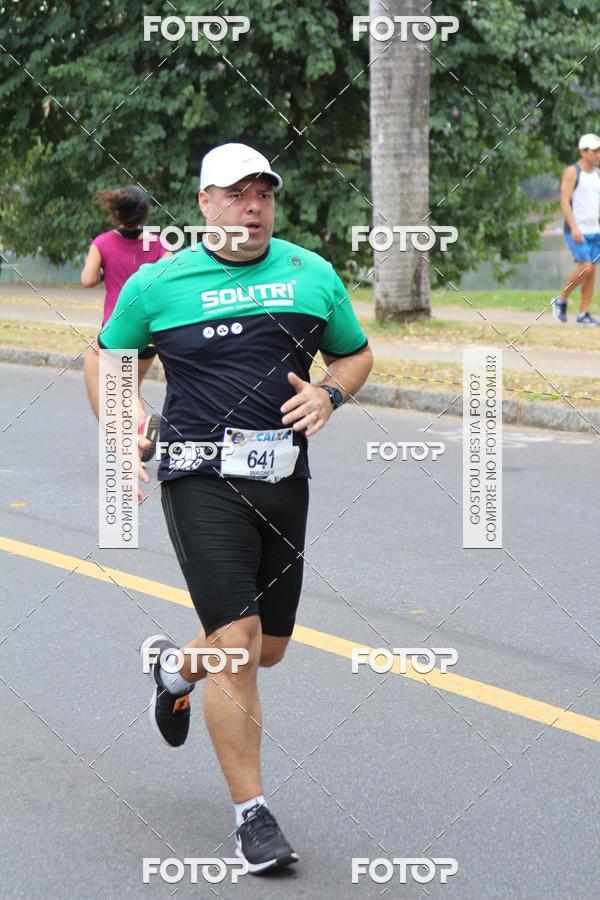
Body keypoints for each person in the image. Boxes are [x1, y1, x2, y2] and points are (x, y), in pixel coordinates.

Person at [83, 143, 373, 874]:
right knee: (239, 643)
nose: (252, 207)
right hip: (197, 475)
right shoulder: (162, 284)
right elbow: (107, 360)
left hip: (282, 479)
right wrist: (124, 430)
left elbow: (356, 353)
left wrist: (329, 393)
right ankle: (253, 819)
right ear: (205, 204)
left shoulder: (313, 274)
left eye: (263, 194)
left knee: (267, 650)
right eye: (236, 195)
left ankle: (176, 673)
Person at [81, 185, 170, 456]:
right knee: (130, 386)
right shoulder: (159, 243)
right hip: (152, 330)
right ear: (144, 214)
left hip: (117, 329)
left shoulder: (103, 243)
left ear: (115, 211)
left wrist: (102, 275)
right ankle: (140, 431)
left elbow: (86, 280)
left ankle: (138, 431)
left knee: (120, 388)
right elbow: (166, 280)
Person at [552, 133, 600, 325]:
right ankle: (561, 299)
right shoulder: (572, 171)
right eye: (595, 151)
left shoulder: (597, 174)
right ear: (583, 151)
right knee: (585, 268)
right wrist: (574, 227)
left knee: (592, 272)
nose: (598, 154)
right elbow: (564, 200)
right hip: (576, 230)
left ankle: (583, 314)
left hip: (595, 230)